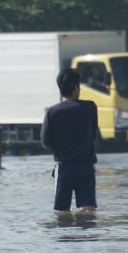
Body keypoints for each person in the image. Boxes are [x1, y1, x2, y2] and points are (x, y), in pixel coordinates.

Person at [41, 69, 98, 212]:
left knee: (62, 211)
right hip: (86, 166)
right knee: (89, 210)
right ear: (76, 87)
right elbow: (93, 136)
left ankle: (66, 234)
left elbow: (46, 144)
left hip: (65, 166)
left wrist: (61, 148)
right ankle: (90, 233)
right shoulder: (90, 107)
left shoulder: (52, 112)